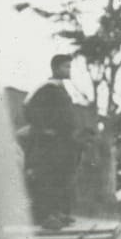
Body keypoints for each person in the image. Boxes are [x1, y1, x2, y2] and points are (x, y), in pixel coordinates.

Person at [23, 54, 83, 230]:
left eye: (70, 66)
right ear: (56, 68)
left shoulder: (61, 89)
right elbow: (28, 108)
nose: (69, 70)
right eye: (66, 67)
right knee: (47, 177)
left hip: (63, 142)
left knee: (61, 177)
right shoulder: (46, 88)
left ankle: (57, 212)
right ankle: (46, 216)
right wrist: (43, 129)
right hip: (49, 143)